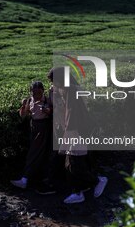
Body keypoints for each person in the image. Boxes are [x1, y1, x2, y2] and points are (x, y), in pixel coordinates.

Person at [52, 67, 108, 204]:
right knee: (73, 161)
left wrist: (69, 133)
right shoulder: (68, 89)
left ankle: (95, 182)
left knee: (73, 161)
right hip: (76, 130)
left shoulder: (71, 90)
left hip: (77, 130)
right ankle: (80, 189)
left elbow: (72, 113)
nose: (53, 84)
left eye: (54, 81)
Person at [10, 81, 53, 190]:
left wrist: (46, 110)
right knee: (36, 152)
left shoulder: (47, 100)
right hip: (33, 127)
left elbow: (51, 112)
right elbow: (23, 115)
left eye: (38, 92)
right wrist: (24, 105)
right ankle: (35, 178)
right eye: (33, 92)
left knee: (34, 153)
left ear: (42, 91)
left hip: (43, 128)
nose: (35, 95)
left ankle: (25, 179)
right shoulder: (30, 100)